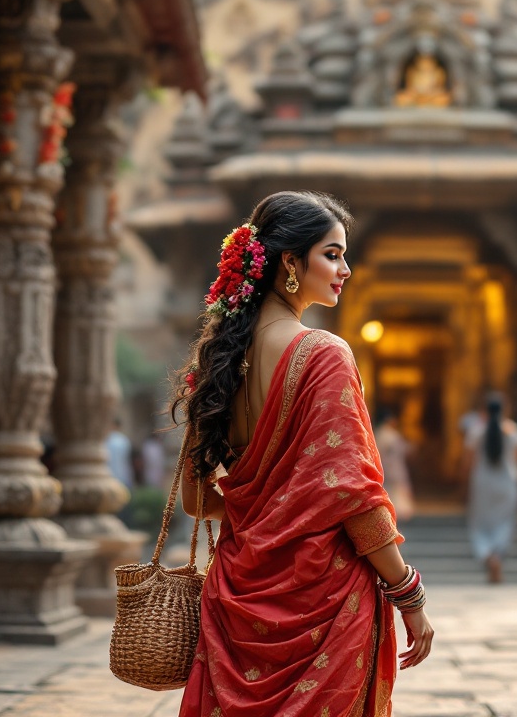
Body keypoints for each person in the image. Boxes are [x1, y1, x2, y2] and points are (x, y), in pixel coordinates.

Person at [173, 192, 434, 716]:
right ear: (290, 262)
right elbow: (354, 497)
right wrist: (409, 596)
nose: (346, 269)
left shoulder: (217, 361)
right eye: (332, 255)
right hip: (323, 596)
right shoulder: (323, 355)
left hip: (239, 593)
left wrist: (266, 511)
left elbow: (195, 499)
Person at [463, 393, 517, 583]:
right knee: (505, 522)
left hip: (482, 483)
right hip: (508, 483)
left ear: (484, 410)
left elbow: (468, 460)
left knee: (481, 524)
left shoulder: (476, 431)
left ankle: (487, 554)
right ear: (504, 409)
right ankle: (497, 555)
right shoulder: (512, 430)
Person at [375, 408, 415, 522]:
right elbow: (404, 450)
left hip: (385, 467)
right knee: (395, 492)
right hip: (393, 466)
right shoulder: (391, 435)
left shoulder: (378, 434)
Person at [106, 418, 134, 490]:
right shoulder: (124, 440)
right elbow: (127, 460)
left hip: (109, 476)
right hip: (123, 476)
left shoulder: (108, 439)